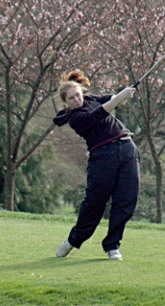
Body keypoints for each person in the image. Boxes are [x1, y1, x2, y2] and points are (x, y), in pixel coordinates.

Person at [53, 70, 140, 260]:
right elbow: (101, 113)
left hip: (127, 148)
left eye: (78, 95)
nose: (77, 100)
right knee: (95, 202)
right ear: (66, 103)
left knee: (126, 199)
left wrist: (124, 95)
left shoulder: (90, 99)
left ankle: (112, 246)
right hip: (103, 155)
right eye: (72, 98)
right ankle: (73, 240)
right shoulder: (75, 118)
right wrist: (119, 98)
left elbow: (113, 100)